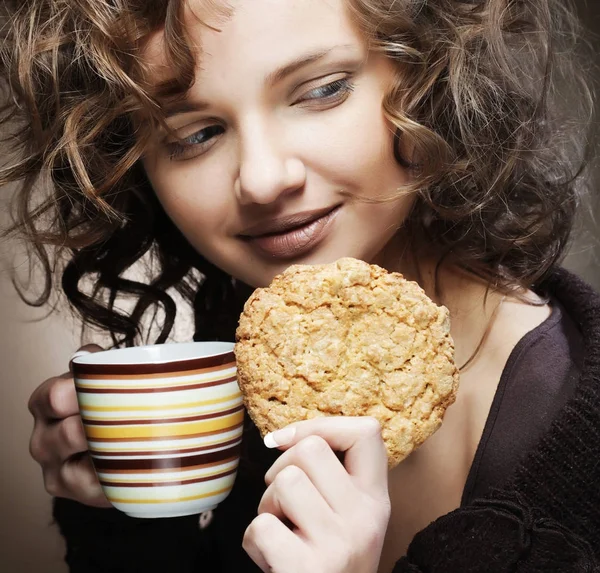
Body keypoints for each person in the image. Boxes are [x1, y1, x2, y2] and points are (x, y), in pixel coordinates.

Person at [1, 0, 599, 571]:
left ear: (428, 68)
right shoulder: (244, 392)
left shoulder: (576, 422)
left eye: (322, 90)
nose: (263, 180)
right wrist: (129, 518)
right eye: (195, 134)